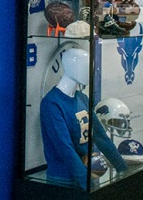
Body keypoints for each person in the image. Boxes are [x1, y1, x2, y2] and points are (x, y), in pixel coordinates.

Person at [39, 48, 128, 187]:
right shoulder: (52, 104)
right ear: (71, 67)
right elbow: (65, 149)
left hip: (87, 173)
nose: (89, 71)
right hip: (63, 180)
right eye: (85, 66)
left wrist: (122, 168)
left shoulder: (82, 98)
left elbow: (100, 136)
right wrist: (86, 183)